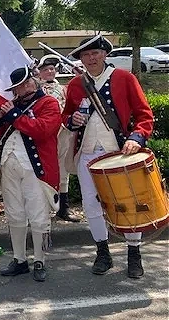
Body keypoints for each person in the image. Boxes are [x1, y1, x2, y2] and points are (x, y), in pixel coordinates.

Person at [61, 35, 154, 278]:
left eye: (95, 53)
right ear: (81, 59)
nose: (91, 58)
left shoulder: (124, 78)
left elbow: (144, 115)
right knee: (91, 203)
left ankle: (134, 253)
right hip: (87, 152)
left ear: (104, 54)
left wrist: (136, 138)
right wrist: (72, 120)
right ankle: (102, 252)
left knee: (129, 202)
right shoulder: (75, 85)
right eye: (86, 55)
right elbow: (66, 116)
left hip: (120, 151)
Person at [0, 65, 62, 283]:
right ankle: (19, 259)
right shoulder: (13, 106)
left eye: (28, 82)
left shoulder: (49, 103)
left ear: (35, 81)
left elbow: (41, 130)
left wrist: (12, 114)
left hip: (36, 170)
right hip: (9, 166)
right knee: (15, 214)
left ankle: (39, 259)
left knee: (38, 217)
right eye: (20, 86)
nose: (25, 87)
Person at [37, 54, 81, 222]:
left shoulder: (64, 88)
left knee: (63, 170)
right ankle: (42, 207)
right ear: (40, 72)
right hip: (44, 135)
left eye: (52, 69)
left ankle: (63, 207)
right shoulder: (34, 89)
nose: (49, 71)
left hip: (62, 133)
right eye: (46, 69)